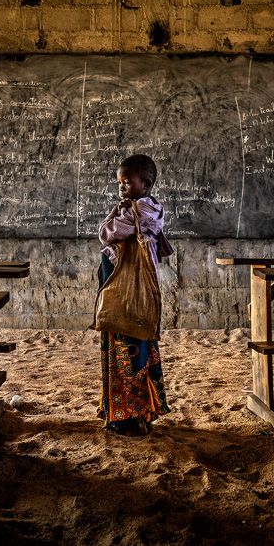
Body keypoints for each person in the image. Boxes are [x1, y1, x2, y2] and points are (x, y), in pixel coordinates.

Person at [96, 154, 172, 435]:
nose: (121, 188)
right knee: (135, 344)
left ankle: (127, 418)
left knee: (129, 349)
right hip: (128, 293)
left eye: (127, 183)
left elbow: (106, 234)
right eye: (119, 183)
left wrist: (114, 216)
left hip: (128, 294)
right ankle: (134, 415)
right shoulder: (139, 208)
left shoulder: (138, 213)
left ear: (146, 184)